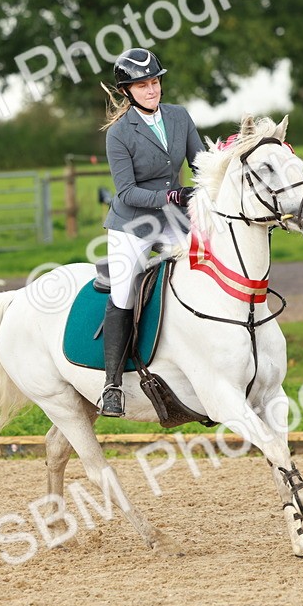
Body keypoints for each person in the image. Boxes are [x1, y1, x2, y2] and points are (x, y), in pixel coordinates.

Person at [97, 48, 203, 417]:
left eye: (155, 81)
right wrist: (170, 194)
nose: (151, 89)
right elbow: (126, 192)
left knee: (203, 264)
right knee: (125, 293)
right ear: (127, 90)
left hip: (173, 217)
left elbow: (200, 162)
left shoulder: (179, 116)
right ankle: (112, 385)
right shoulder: (119, 134)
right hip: (132, 222)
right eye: (142, 85)